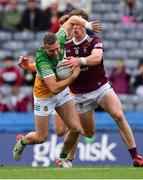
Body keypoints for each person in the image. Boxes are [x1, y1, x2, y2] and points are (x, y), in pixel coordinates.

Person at [18, 9, 143, 167]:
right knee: (85, 132)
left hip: (101, 88)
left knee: (119, 115)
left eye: (79, 25)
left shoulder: (94, 41)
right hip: (79, 94)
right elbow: (46, 66)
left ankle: (135, 157)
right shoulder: (62, 47)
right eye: (74, 25)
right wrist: (28, 66)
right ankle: (62, 155)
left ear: (84, 26)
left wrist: (79, 61)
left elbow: (97, 58)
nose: (75, 28)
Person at [13, 14, 102, 166]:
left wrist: (87, 25)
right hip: (44, 96)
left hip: (62, 92)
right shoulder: (42, 60)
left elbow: (73, 18)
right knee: (41, 138)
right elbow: (53, 88)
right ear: (45, 49)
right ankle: (23, 141)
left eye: (56, 49)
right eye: (51, 51)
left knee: (75, 128)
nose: (55, 53)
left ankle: (63, 159)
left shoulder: (59, 38)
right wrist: (73, 77)